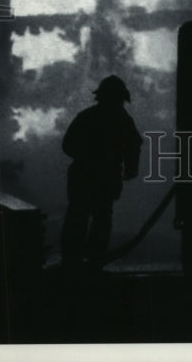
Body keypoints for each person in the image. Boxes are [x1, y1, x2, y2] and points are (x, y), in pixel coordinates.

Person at [60, 75, 143, 269]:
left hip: (83, 176)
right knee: (101, 218)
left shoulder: (86, 117)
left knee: (78, 216)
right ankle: (94, 259)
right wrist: (130, 167)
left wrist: (86, 157)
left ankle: (72, 260)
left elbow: (68, 145)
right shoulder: (123, 120)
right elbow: (133, 146)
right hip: (106, 177)